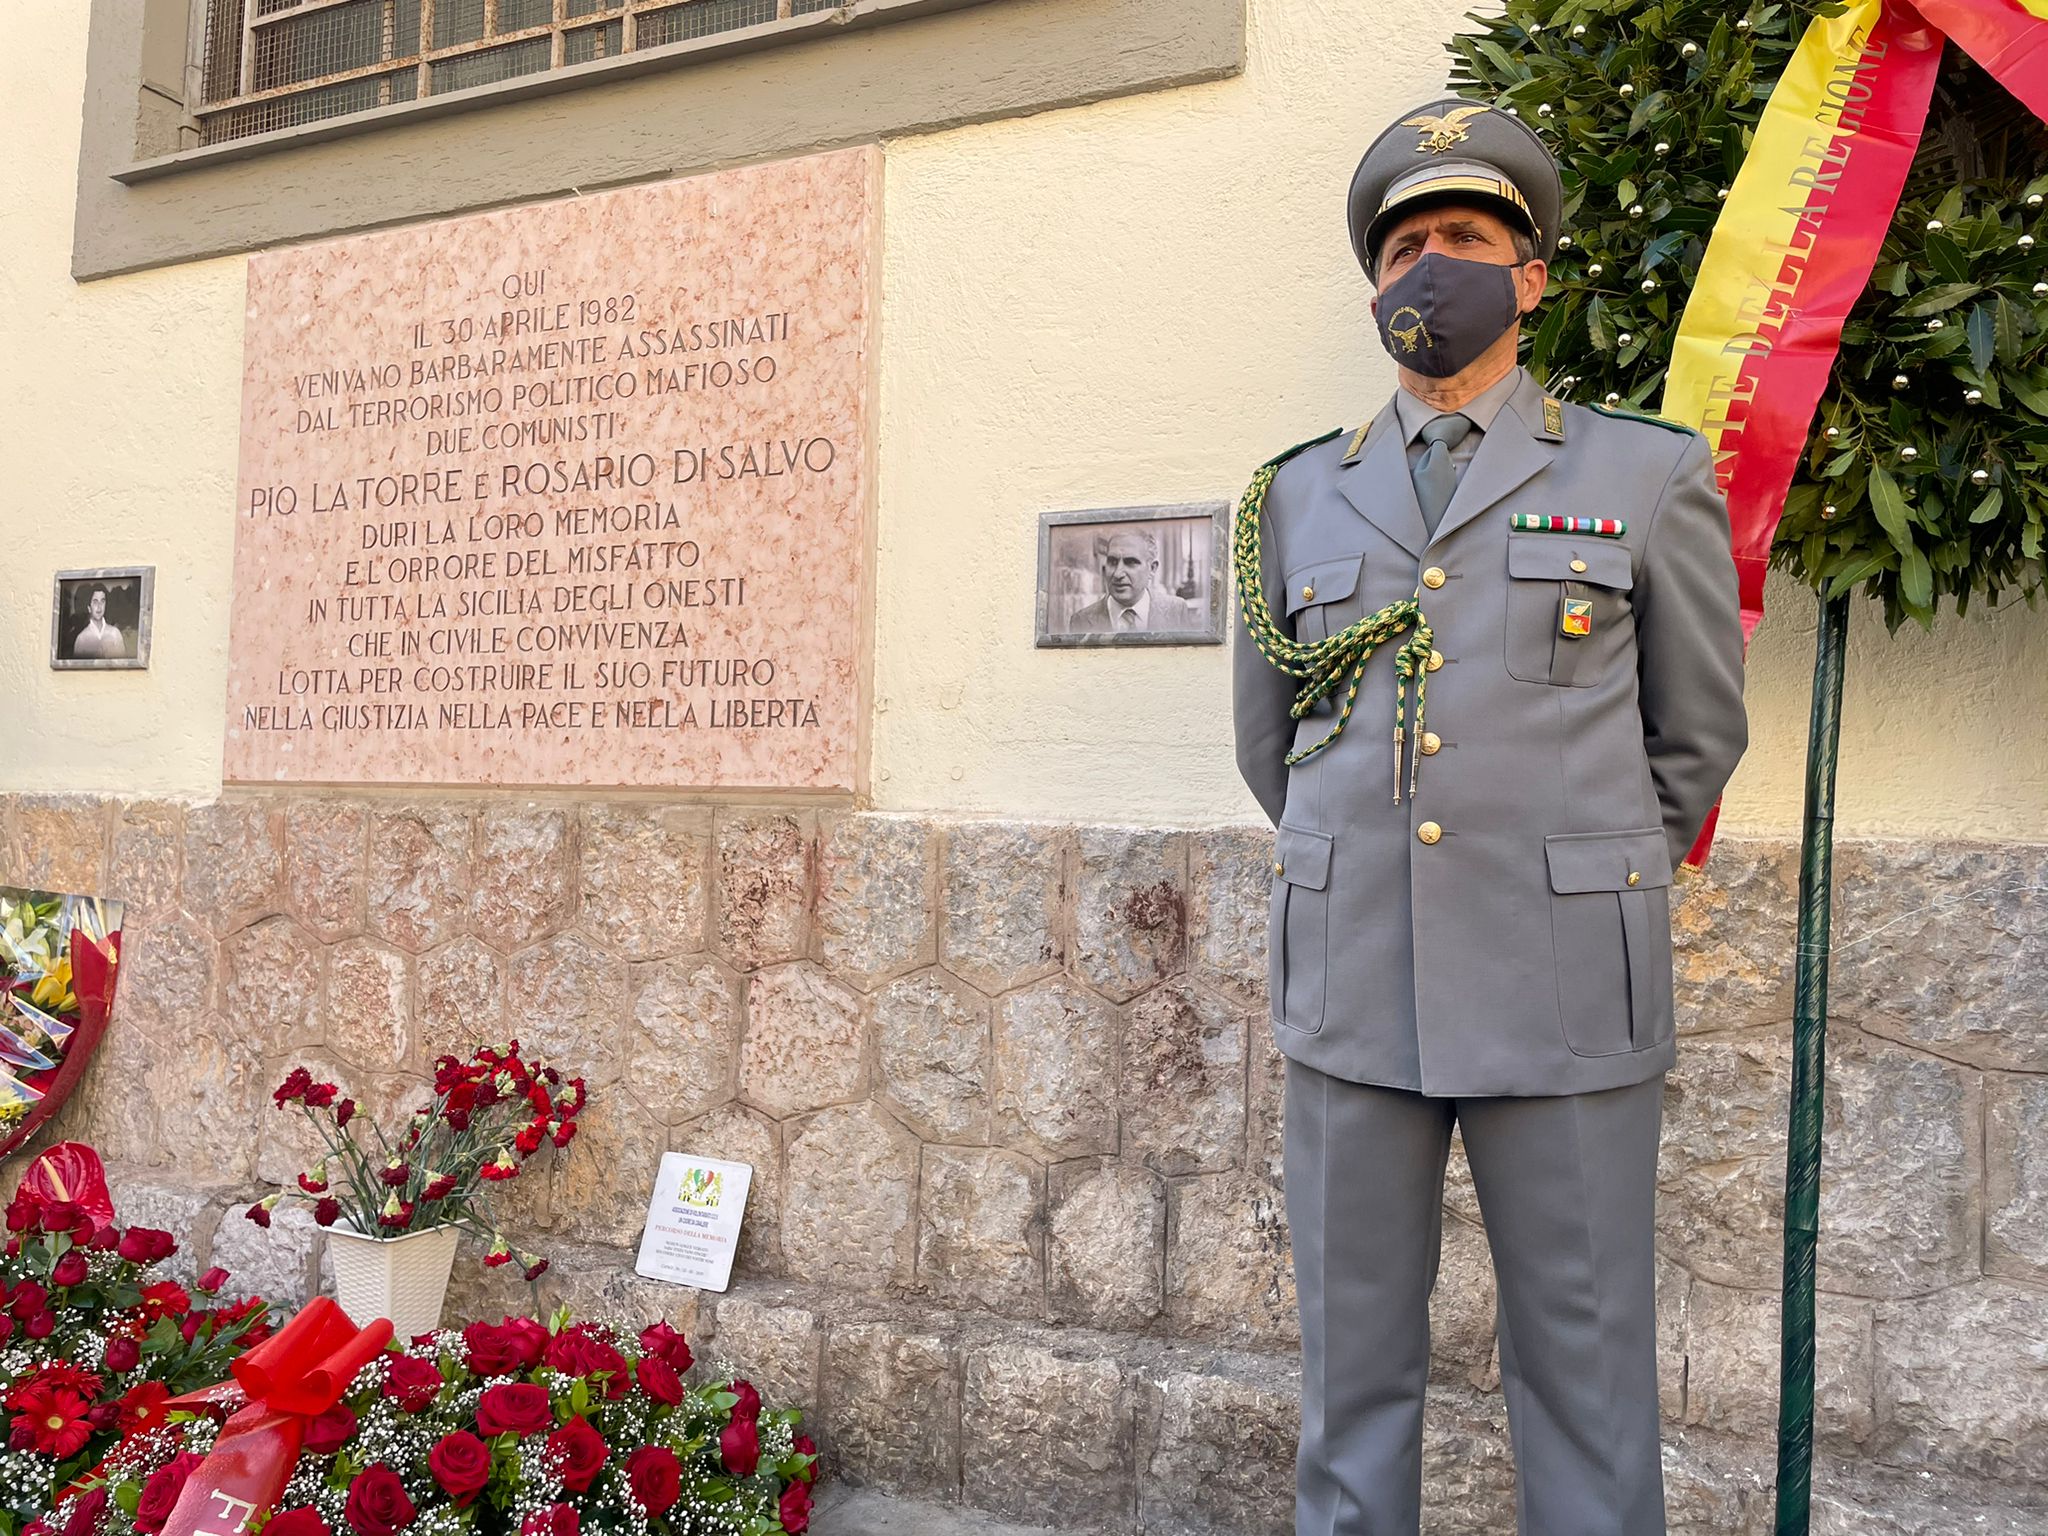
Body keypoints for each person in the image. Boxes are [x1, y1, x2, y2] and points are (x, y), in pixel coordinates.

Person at [1232, 99, 1748, 1536]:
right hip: (1356, 984)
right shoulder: (1293, 498)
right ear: (1376, 288)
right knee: (1351, 1379)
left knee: (1585, 1377)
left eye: (1464, 237)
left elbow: (1695, 736)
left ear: (1529, 277)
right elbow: (1270, 751)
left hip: (1568, 991)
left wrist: (1571, 868)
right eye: (1403, 247)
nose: (1429, 268)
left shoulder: (1643, 474)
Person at [1067, 528, 1203, 632]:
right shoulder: (1081, 621)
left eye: (1130, 562)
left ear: (1152, 569)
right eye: (1112, 562)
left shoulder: (1176, 611)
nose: (1118, 574)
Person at [70, 587, 127, 659]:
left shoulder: (115, 633)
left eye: (102, 601)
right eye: (95, 602)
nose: (99, 607)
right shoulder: (81, 639)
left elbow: (124, 666)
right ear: (89, 608)